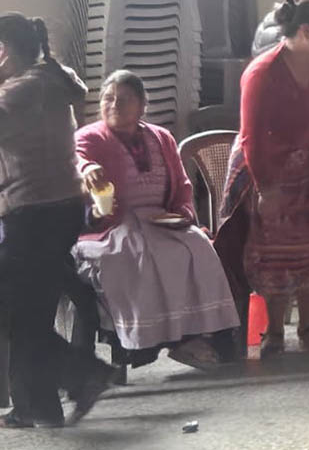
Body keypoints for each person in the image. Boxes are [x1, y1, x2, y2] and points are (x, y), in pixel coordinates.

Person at [73, 71, 240, 371]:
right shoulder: (89, 137)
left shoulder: (161, 137)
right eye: (108, 99)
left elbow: (182, 184)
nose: (114, 105)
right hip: (113, 223)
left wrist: (182, 214)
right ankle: (150, 344)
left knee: (199, 246)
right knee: (135, 255)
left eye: (124, 99)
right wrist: (87, 170)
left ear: (142, 105)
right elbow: (77, 160)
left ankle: (196, 337)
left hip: (161, 219)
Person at [0, 12, 114, 428]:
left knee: (16, 311)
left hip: (33, 212)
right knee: (30, 313)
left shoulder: (21, 91)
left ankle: (85, 375)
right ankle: (38, 406)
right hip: (57, 208)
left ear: (4, 51)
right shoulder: (50, 79)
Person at [216, 0, 309, 357]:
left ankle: (308, 326)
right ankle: (273, 331)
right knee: (273, 251)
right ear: (305, 31)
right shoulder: (262, 73)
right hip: (265, 167)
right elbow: (252, 136)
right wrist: (266, 189)